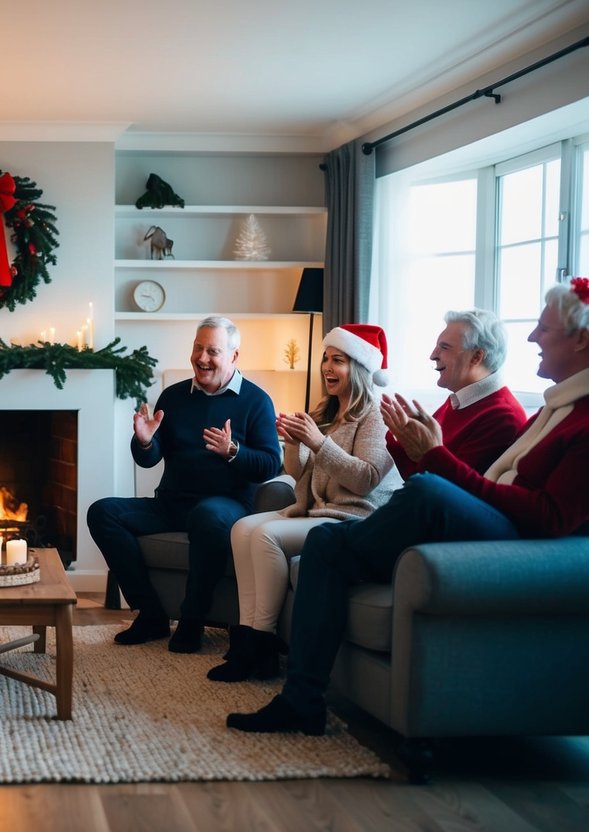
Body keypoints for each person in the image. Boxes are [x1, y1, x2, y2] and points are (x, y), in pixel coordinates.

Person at [228, 280, 589, 735]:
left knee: (417, 497)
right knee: (324, 541)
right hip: (466, 518)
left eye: (544, 328)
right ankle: (298, 694)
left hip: (508, 544)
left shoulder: (534, 415)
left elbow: (546, 515)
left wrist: (430, 456)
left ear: (580, 338)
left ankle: (281, 674)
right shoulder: (549, 410)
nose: (533, 338)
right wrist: (407, 449)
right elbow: (409, 467)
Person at [211, 324, 402, 682]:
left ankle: (260, 643)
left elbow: (365, 478)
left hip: (355, 519)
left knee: (266, 536)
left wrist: (317, 443)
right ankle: (247, 635)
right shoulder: (325, 414)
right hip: (318, 511)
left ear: (360, 369)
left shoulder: (375, 417)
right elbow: (298, 474)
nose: (328, 367)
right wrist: (292, 442)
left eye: (339, 361)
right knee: (242, 529)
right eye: (326, 359)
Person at [87, 316, 281, 652]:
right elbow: (149, 458)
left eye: (213, 351)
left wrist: (232, 451)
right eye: (198, 348)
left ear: (234, 357)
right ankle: (151, 614)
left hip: (225, 506)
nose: (202, 358)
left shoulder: (256, 401)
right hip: (171, 503)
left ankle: (192, 620)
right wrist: (145, 441)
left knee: (205, 515)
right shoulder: (174, 397)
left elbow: (269, 464)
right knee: (102, 512)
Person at [384, 309, 526, 478]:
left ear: (476, 357)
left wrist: (407, 442)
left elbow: (442, 491)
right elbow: (418, 477)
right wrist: (401, 437)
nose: (432, 355)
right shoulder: (460, 399)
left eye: (444, 347)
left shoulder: (503, 417)